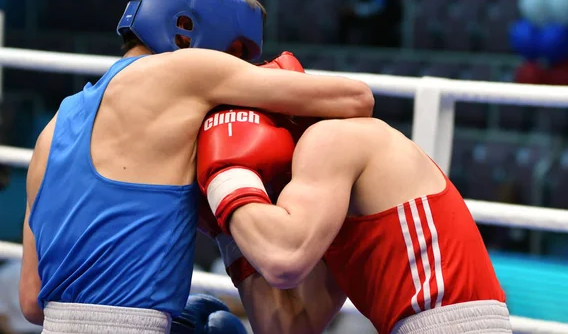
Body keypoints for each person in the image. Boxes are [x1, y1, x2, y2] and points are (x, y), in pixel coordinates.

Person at [18, 0, 374, 333]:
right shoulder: (185, 70)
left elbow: (32, 301)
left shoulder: (52, 129)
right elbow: (356, 99)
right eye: (236, 55)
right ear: (185, 31)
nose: (236, 67)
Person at [196, 81, 510, 333]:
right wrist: (231, 235)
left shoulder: (333, 137)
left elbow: (283, 259)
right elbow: (290, 326)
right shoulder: (330, 208)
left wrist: (225, 176)